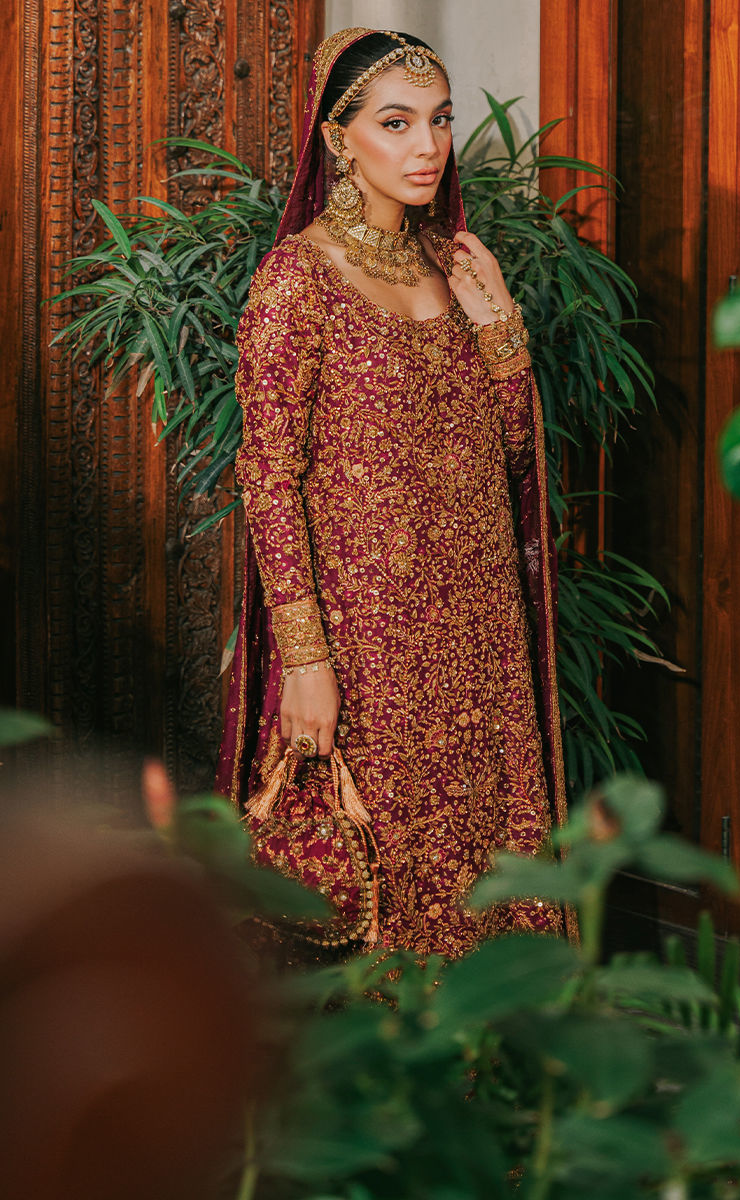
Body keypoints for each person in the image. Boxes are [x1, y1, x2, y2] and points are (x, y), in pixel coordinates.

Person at [216, 27, 568, 956]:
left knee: (488, 857)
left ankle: (495, 1039)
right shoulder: (298, 281)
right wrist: (305, 658)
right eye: (397, 122)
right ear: (339, 138)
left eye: (440, 120)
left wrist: (501, 331)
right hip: (370, 636)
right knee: (383, 864)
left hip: (480, 631)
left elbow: (510, 461)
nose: (428, 146)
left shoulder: (456, 265)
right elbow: (267, 478)